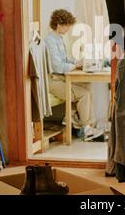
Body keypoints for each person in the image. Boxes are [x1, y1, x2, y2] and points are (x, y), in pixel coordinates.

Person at [44, 9, 103, 141]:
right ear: (59, 24)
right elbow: (58, 66)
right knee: (84, 94)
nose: (69, 29)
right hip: (53, 81)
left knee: (87, 85)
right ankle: (87, 129)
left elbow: (64, 60)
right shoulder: (50, 41)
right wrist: (75, 66)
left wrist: (77, 62)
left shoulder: (58, 39)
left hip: (61, 78)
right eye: (68, 25)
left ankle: (69, 117)